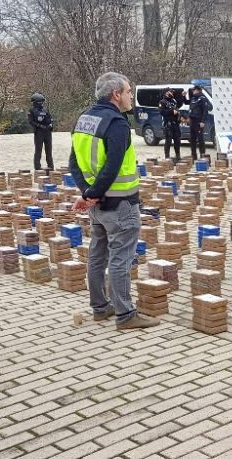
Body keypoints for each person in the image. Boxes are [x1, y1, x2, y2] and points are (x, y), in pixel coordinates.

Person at [69, 72, 158, 331]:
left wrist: (88, 193)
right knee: (120, 257)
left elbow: (73, 162)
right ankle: (125, 314)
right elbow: (112, 165)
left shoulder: (84, 119)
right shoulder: (117, 123)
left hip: (98, 206)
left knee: (97, 255)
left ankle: (100, 308)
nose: (131, 96)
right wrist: (94, 192)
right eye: (129, 91)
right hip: (121, 204)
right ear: (116, 94)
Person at [28, 92, 54, 170]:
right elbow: (31, 121)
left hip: (47, 132)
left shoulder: (45, 110)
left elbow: (50, 118)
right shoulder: (32, 110)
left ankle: (51, 167)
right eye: (39, 102)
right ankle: (37, 168)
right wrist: (40, 126)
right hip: (39, 132)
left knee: (49, 150)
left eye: (42, 102)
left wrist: (51, 125)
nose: (41, 103)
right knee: (38, 150)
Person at [186, 85, 210, 160]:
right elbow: (187, 102)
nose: (193, 91)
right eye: (193, 90)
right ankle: (194, 156)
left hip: (199, 122)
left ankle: (202, 155)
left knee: (200, 139)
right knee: (192, 139)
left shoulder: (202, 99)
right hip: (192, 121)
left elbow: (205, 111)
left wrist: (203, 121)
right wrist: (183, 96)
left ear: (198, 90)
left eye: (194, 90)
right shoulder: (193, 99)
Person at [158, 87, 182, 161]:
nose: (172, 93)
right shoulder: (162, 102)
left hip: (175, 124)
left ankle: (178, 156)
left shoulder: (174, 101)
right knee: (168, 141)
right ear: (166, 93)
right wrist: (171, 112)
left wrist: (178, 114)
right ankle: (167, 157)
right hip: (168, 124)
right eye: (170, 92)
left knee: (177, 141)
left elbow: (177, 108)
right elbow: (162, 112)